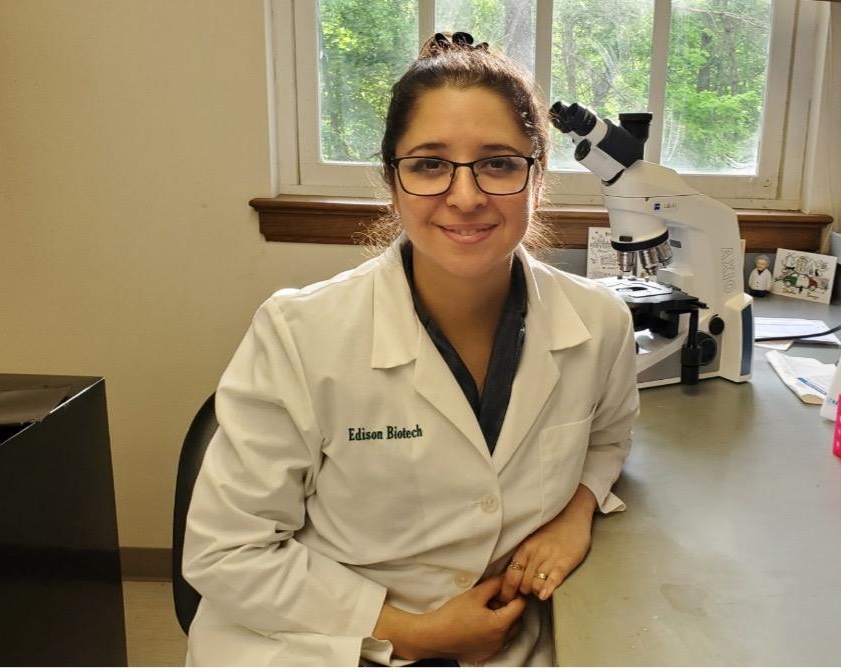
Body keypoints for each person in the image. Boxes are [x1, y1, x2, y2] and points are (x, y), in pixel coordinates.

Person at [182, 31, 639, 666]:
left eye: (498, 162)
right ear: (392, 182)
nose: (466, 195)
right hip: (316, 644)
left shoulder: (600, 323)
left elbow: (610, 437)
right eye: (429, 164)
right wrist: (413, 632)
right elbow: (226, 550)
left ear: (538, 180)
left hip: (503, 645)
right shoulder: (301, 333)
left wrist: (578, 511)